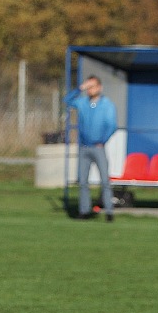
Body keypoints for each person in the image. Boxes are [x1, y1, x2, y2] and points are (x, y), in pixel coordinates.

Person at [65, 76, 118, 221]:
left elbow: (112, 125)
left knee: (104, 181)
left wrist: (103, 140)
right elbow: (67, 101)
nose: (90, 90)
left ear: (99, 87)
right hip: (84, 147)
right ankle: (84, 211)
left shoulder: (107, 105)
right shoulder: (82, 103)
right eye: (88, 87)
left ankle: (109, 212)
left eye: (92, 86)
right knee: (82, 181)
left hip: (98, 147)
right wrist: (80, 88)